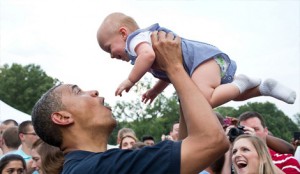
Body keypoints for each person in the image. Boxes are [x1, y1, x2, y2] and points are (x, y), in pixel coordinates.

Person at [31, 30, 229, 173]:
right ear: (62, 117)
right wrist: (174, 67)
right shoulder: (103, 167)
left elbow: (189, 149)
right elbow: (211, 142)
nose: (93, 92)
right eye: (77, 91)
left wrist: (183, 81)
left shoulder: (85, 167)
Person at [96, 12, 296, 108]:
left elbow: (147, 56)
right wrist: (155, 90)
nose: (112, 55)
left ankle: (242, 82)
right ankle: (264, 89)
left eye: (109, 48)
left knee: (202, 101)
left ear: (123, 33)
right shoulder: (144, 51)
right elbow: (168, 73)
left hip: (201, 60)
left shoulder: (136, 41)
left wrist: (130, 80)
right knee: (226, 95)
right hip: (204, 63)